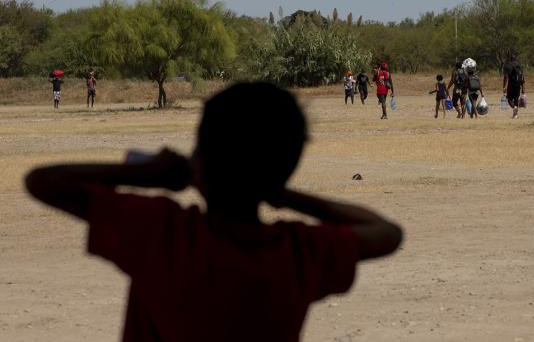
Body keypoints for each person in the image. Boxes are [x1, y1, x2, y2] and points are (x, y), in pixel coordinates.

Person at [25, 83, 403, 342]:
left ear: (200, 159)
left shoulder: (163, 234)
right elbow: (385, 231)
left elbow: (42, 181)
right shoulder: (298, 253)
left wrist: (146, 175)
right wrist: (280, 194)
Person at [503, 53, 525, 119]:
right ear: (515, 59)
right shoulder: (519, 66)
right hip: (518, 85)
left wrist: (504, 86)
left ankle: (514, 108)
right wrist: (523, 88)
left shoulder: (508, 66)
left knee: (509, 99)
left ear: (510, 59)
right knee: (516, 99)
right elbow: (523, 77)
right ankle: (515, 115)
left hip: (511, 85)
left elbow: (505, 77)